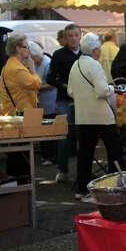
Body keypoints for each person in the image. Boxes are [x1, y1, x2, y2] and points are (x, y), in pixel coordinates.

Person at [68, 33, 122, 202]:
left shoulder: (75, 65)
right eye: (98, 49)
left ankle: (82, 189)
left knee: (84, 153)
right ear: (94, 50)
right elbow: (101, 91)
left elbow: (70, 91)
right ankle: (115, 186)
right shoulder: (94, 65)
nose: (99, 52)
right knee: (114, 150)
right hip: (101, 116)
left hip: (83, 115)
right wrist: (111, 90)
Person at [47, 23, 82, 184]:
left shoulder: (85, 54)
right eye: (70, 36)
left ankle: (82, 171)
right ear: (65, 38)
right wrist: (63, 85)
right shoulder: (59, 54)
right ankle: (62, 170)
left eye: (76, 35)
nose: (73, 38)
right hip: (64, 100)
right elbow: (50, 77)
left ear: (80, 36)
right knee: (64, 135)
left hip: (83, 101)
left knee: (82, 135)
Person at [0, 34, 42, 115]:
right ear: (18, 49)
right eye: (26, 47)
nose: (29, 50)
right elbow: (36, 84)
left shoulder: (12, 64)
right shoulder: (17, 69)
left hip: (15, 113)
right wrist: (32, 68)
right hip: (19, 115)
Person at [28, 42, 56, 116]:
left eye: (31, 57)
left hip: (49, 101)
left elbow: (53, 84)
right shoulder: (35, 64)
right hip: (40, 102)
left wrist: (38, 87)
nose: (30, 60)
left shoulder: (48, 63)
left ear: (35, 54)